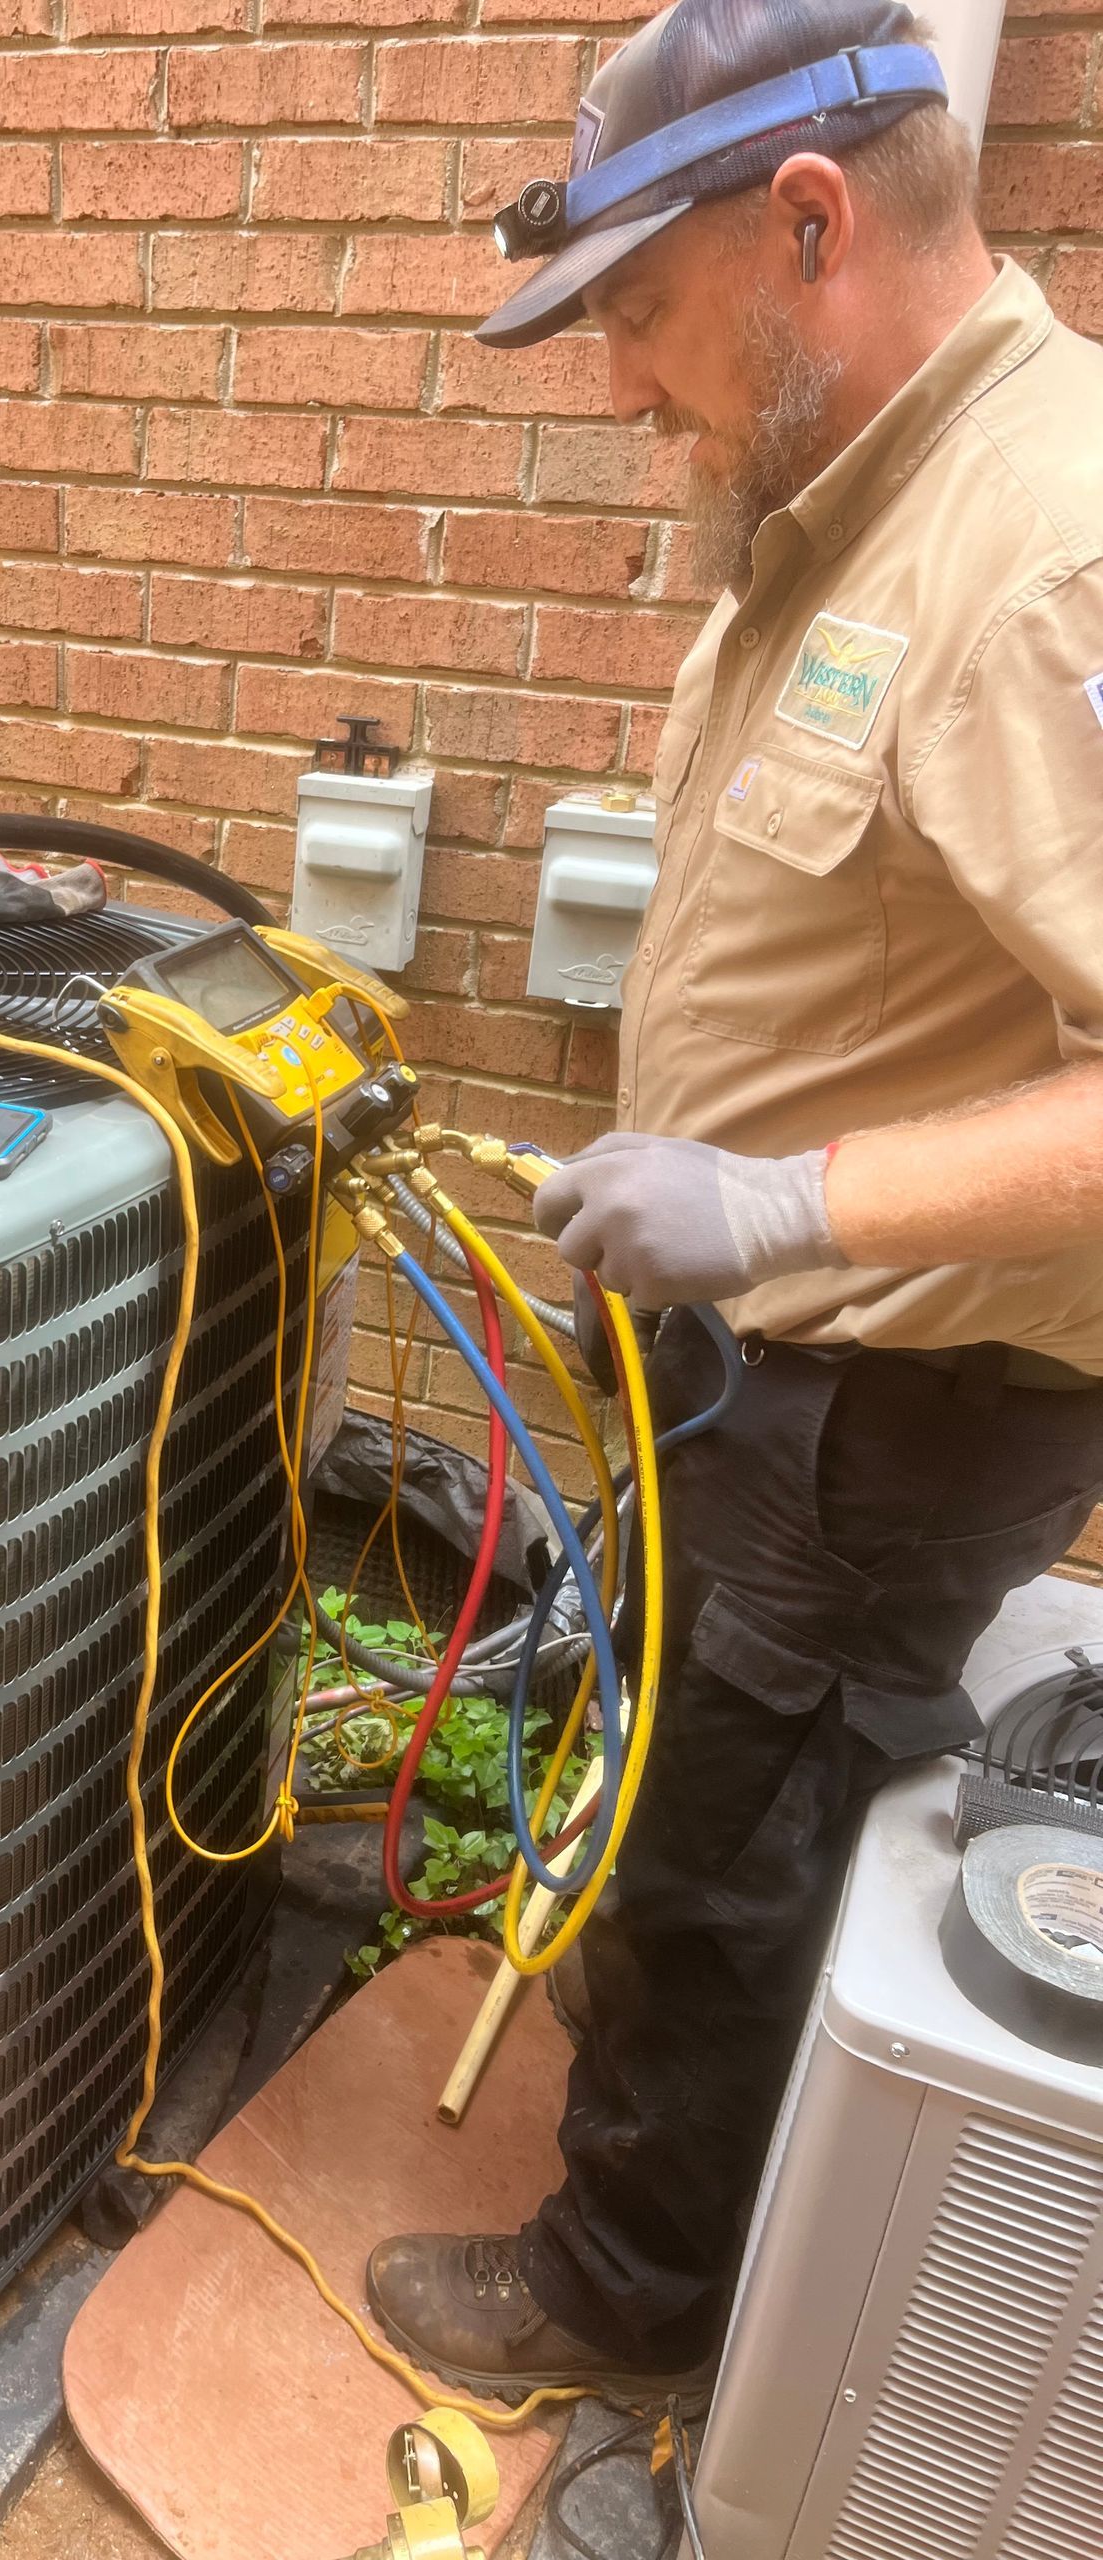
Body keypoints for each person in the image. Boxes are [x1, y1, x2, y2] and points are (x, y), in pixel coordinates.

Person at [365, 0, 1103, 2405]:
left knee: (732, 1848)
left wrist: (776, 1195)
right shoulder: (846, 496)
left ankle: (627, 2307)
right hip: (764, 1368)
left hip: (886, 1397)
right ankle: (691, 2148)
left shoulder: (1036, 554)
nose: (614, 389)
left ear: (806, 230)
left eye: (639, 317)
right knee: (700, 1790)